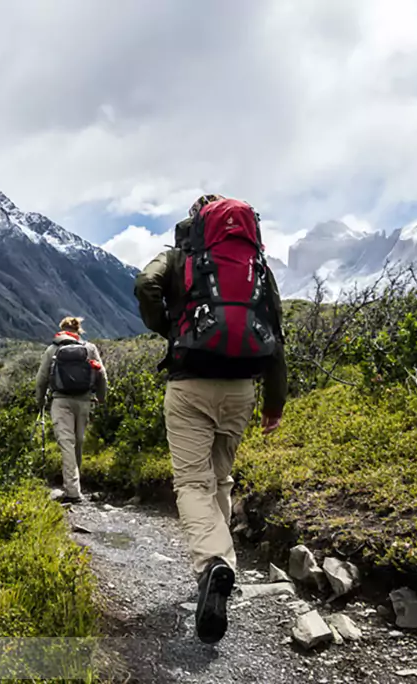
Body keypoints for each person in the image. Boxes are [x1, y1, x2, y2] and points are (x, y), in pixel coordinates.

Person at [133, 193, 287, 645]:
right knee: (220, 479)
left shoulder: (181, 256)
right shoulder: (255, 264)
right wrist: (274, 404)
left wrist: (169, 326)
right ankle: (218, 568)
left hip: (190, 383)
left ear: (196, 221)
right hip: (241, 388)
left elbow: (145, 285)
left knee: (192, 484)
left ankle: (213, 564)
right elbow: (275, 332)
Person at [35, 316, 108, 504]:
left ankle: (73, 491)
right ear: (79, 330)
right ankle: (75, 486)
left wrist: (40, 402)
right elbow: (102, 374)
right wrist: (101, 398)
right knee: (79, 442)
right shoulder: (89, 348)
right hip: (84, 401)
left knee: (66, 443)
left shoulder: (53, 349)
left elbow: (41, 379)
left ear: (61, 329)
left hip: (60, 401)